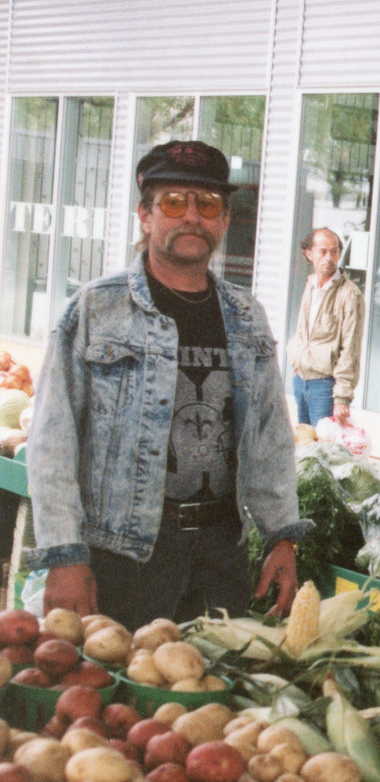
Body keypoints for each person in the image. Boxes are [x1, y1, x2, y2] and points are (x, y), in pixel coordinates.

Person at [25, 140, 306, 629]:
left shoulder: (247, 316)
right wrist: (64, 556)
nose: (191, 216)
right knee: (116, 695)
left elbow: (269, 437)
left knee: (207, 698)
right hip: (122, 556)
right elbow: (51, 440)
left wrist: (283, 536)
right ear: (145, 214)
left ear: (223, 221)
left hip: (221, 557)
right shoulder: (96, 309)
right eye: (174, 202)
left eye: (208, 204)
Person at [288, 227, 364, 425]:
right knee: (304, 445)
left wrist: (342, 398)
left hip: (324, 386)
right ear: (309, 254)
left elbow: (351, 349)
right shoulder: (311, 285)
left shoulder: (349, 294)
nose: (329, 257)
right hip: (300, 379)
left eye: (334, 251)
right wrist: (296, 363)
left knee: (323, 450)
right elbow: (302, 332)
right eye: (323, 251)